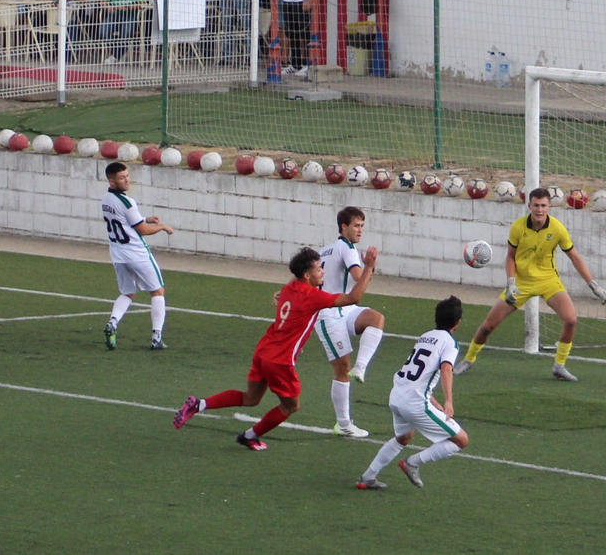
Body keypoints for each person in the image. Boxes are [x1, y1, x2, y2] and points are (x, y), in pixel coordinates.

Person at [172, 246, 379, 451]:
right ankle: (250, 436)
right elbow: (353, 298)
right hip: (280, 360)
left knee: (251, 398)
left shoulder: (289, 289)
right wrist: (368, 267)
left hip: (264, 350)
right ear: (306, 275)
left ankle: (199, 404)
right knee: (291, 405)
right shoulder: (312, 296)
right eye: (318, 269)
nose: (323, 271)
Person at [453, 187, 606, 382]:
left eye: (543, 206)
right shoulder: (518, 227)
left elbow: (574, 257)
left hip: (548, 281)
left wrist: (593, 285)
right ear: (529, 206)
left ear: (549, 207)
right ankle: (468, 359)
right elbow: (510, 257)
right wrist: (511, 283)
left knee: (571, 319)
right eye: (536, 205)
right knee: (489, 325)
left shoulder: (558, 229)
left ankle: (559, 365)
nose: (539, 210)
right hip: (521, 283)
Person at [356, 296, 468, 490]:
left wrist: (433, 401)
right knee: (461, 440)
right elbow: (446, 369)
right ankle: (413, 463)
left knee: (403, 437)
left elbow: (419, 375)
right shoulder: (450, 342)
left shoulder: (425, 336)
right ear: (457, 323)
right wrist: (449, 401)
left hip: (397, 396)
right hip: (414, 403)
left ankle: (368, 477)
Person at [315, 206, 387, 438]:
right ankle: (343, 424)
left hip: (345, 309)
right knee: (341, 368)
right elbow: (359, 279)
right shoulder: (347, 248)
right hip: (328, 314)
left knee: (376, 318)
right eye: (356, 225)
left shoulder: (325, 250)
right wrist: (369, 266)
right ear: (343, 227)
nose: (360, 230)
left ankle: (361, 367)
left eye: (362, 226)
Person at [100, 162, 174, 350]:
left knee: (128, 293)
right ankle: (156, 337)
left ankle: (112, 322)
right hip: (137, 254)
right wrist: (161, 227)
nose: (127, 180)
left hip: (118, 255)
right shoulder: (127, 202)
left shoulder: (106, 200)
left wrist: (146, 219)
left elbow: (124, 221)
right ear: (112, 181)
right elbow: (142, 230)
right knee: (157, 291)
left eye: (127, 176)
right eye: (122, 178)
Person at [100, 0, 146, 64]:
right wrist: (109, 7)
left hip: (130, 15)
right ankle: (120, 51)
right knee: (103, 31)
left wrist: (128, 7)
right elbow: (103, 1)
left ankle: (116, 56)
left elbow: (143, 2)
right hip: (113, 14)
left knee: (127, 32)